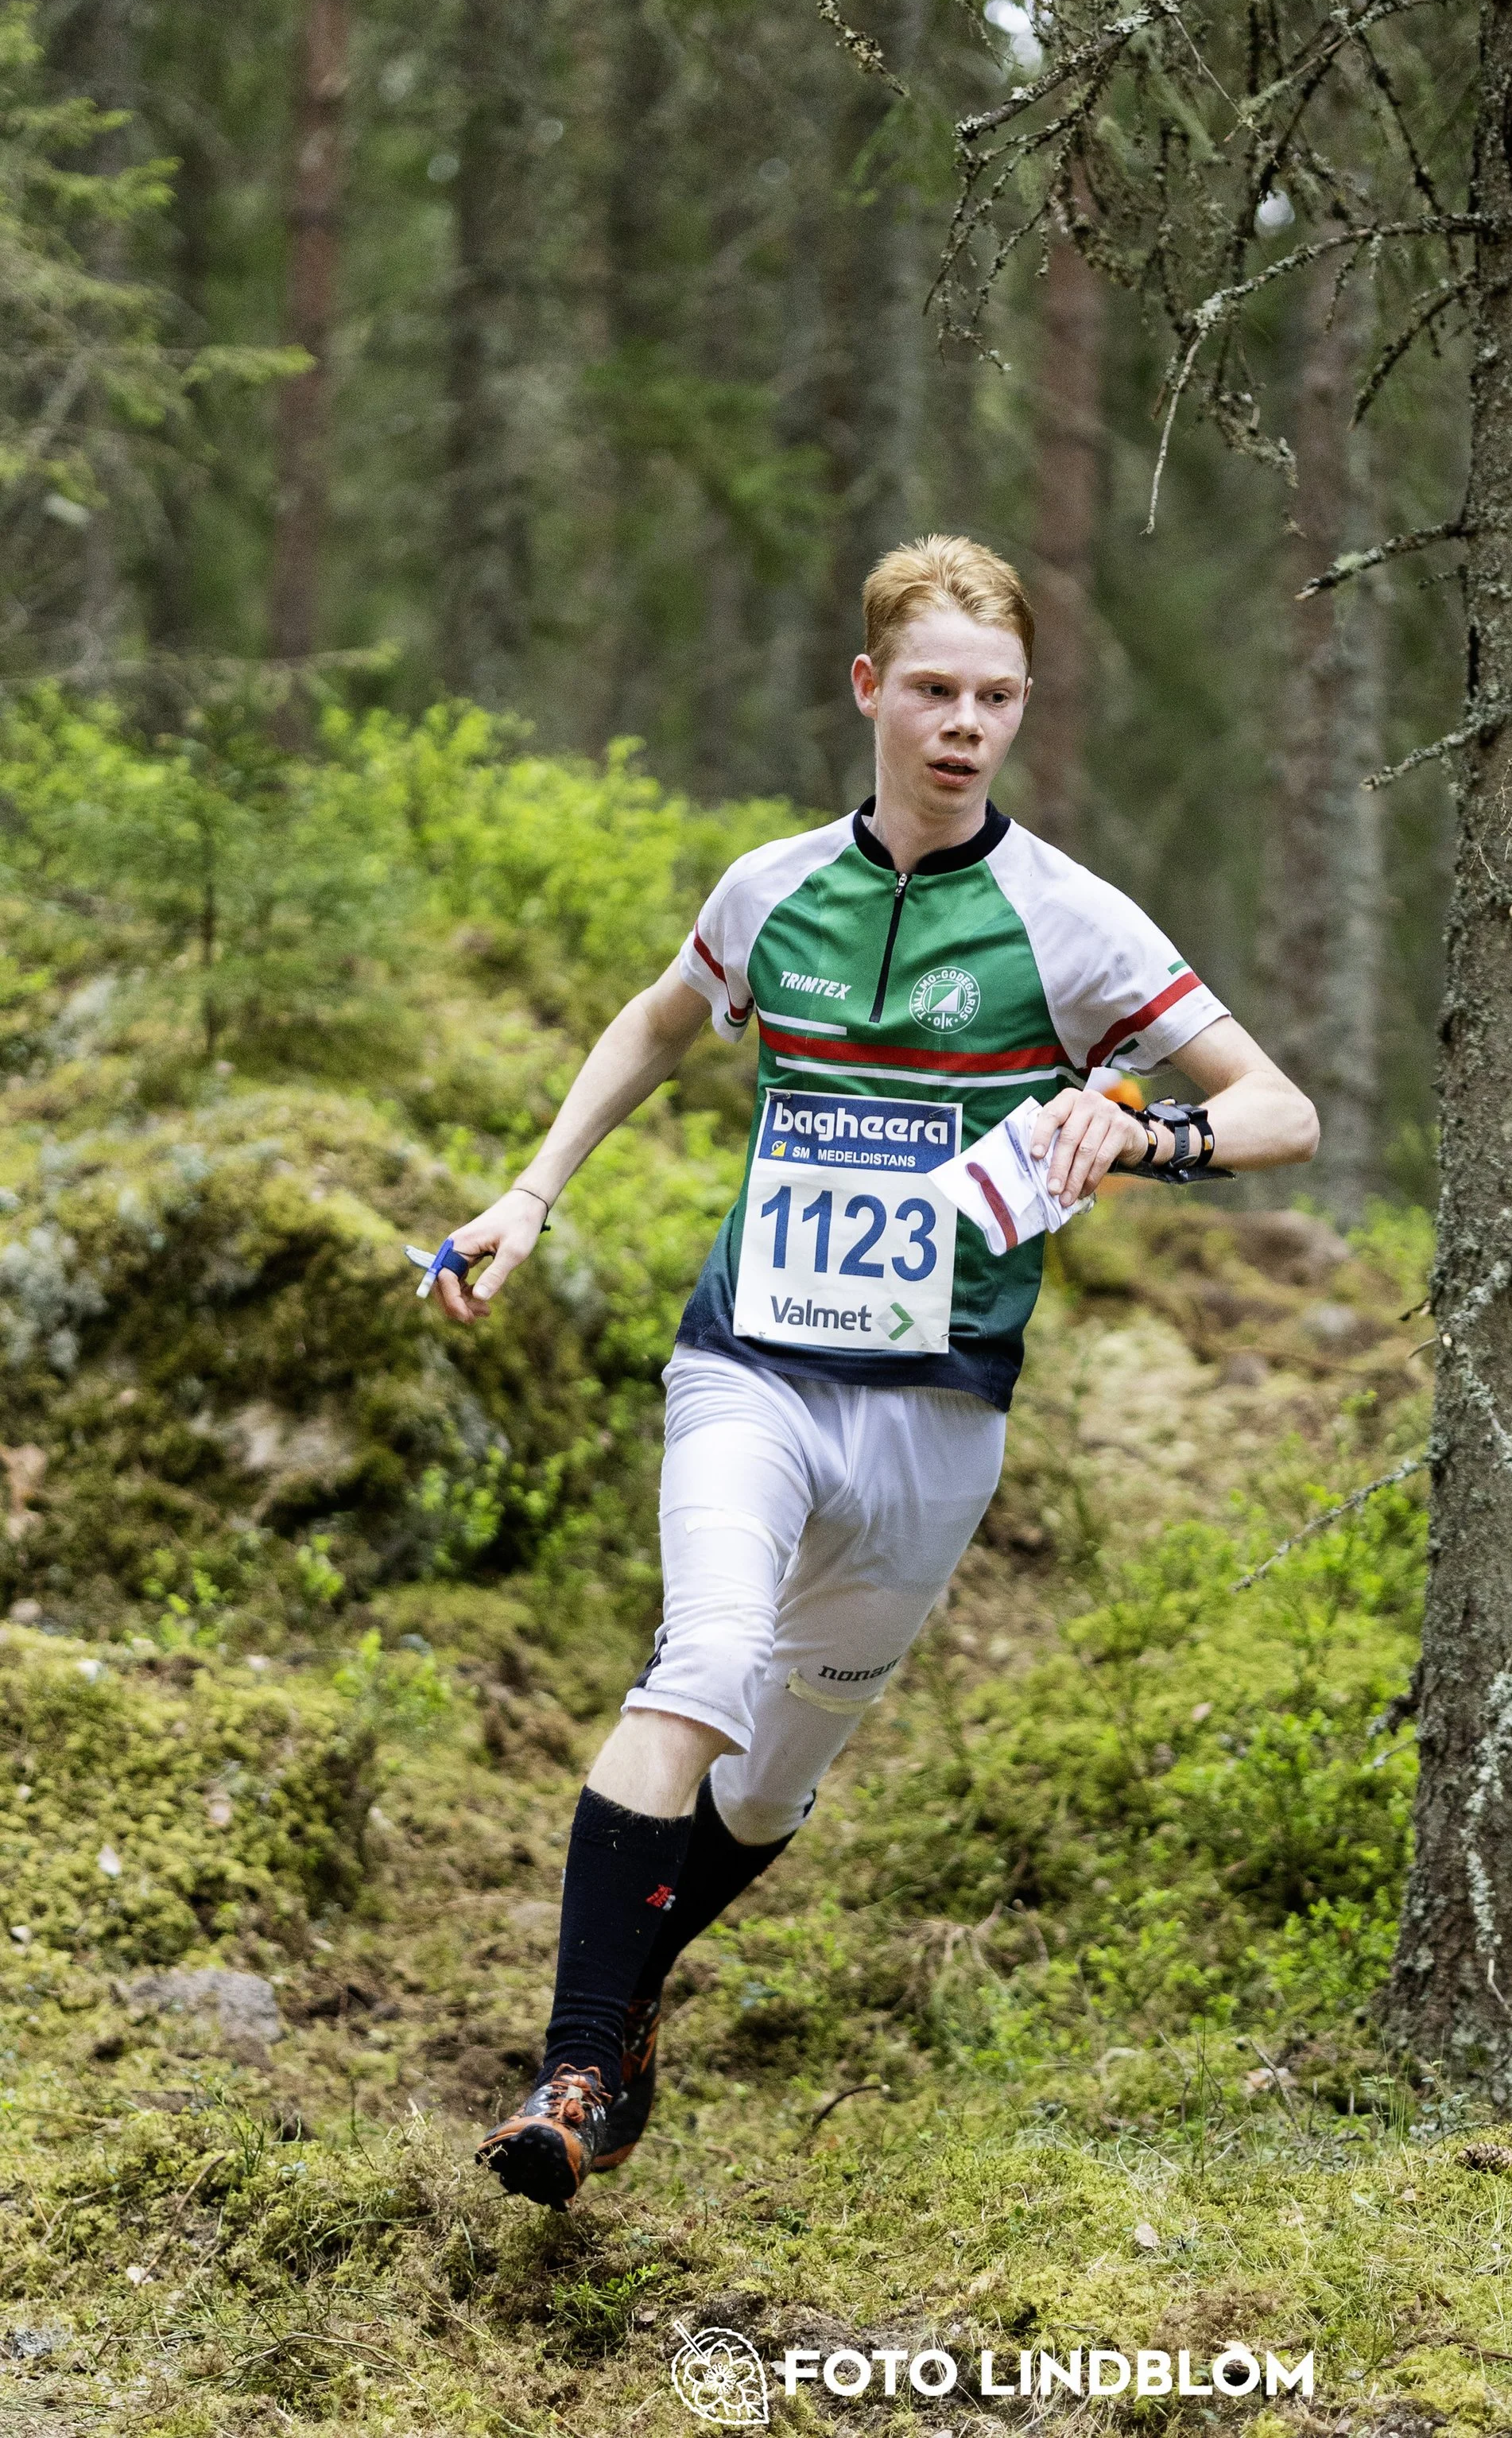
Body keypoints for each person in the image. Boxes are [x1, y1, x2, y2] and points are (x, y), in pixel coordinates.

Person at [439, 536, 1319, 2207]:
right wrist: (530, 1191)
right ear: (867, 690)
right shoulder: (772, 889)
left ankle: (621, 2013)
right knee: (694, 1675)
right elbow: (653, 1019)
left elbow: (1283, 1110)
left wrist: (1136, 1130)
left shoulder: (1068, 921)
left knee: (769, 1783)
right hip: (748, 1370)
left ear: (1020, 711)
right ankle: (572, 2072)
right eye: (930, 690)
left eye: (993, 697)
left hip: (937, 1413)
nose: (960, 726)